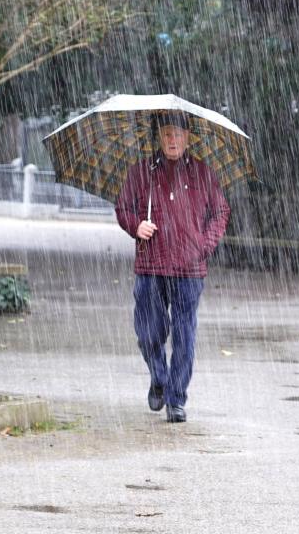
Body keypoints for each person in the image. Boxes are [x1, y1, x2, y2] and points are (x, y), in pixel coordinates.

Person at [115, 112, 231, 423]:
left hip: (189, 269)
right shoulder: (141, 172)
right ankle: (158, 377)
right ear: (158, 138)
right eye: (166, 134)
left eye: (178, 134)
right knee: (148, 331)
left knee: (184, 334)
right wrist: (135, 225)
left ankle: (176, 399)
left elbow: (220, 213)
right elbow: (123, 207)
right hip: (151, 264)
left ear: (188, 138)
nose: (172, 140)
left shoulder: (203, 174)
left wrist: (202, 246)